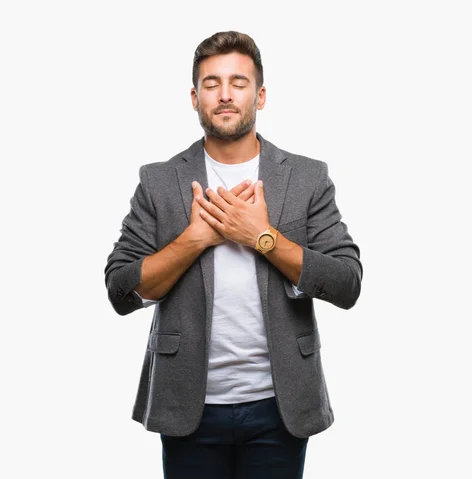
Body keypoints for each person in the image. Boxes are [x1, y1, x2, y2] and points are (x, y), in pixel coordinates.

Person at [104, 30, 362, 479]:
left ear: (260, 96)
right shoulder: (159, 181)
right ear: (194, 96)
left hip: (279, 405)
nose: (225, 95)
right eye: (211, 83)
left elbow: (347, 284)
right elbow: (120, 290)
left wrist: (261, 236)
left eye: (238, 83)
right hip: (189, 404)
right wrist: (195, 239)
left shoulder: (306, 177)